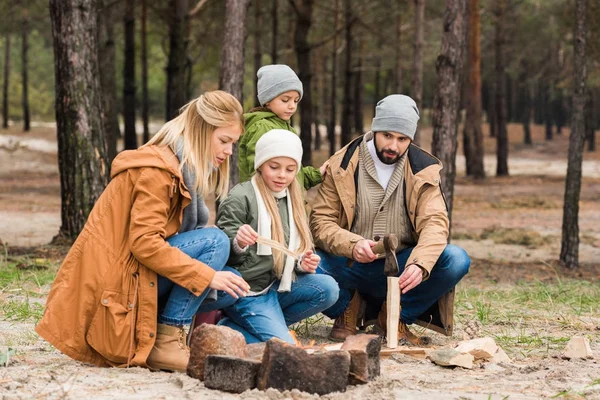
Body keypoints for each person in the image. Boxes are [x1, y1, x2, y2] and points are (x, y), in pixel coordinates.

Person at [35, 91, 251, 373]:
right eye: (224, 141)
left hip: (137, 277)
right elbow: (145, 245)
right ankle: (166, 339)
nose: (229, 151)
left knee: (231, 283)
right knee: (214, 243)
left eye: (233, 143)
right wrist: (206, 273)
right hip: (119, 287)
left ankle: (159, 333)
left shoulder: (182, 168)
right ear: (201, 130)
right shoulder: (158, 171)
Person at [310, 94, 471, 344]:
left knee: (456, 259)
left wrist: (419, 263)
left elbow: (435, 223)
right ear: (375, 129)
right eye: (387, 135)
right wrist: (352, 245)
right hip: (349, 263)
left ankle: (395, 316)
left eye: (402, 139)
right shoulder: (341, 163)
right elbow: (321, 222)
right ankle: (346, 308)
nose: (393, 146)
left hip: (401, 267)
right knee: (305, 261)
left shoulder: (423, 169)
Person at [216, 129, 339, 344]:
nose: (282, 175)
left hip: (276, 286)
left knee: (328, 288)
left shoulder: (291, 199)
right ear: (261, 165)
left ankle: (263, 326)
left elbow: (288, 251)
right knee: (285, 346)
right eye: (274, 167)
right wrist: (238, 243)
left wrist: (302, 262)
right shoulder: (240, 197)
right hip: (247, 293)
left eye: (290, 169)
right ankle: (227, 330)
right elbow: (222, 259)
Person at [238, 64, 327, 189]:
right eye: (285, 100)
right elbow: (259, 173)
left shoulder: (286, 128)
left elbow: (294, 175)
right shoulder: (262, 128)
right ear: (267, 100)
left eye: (296, 101)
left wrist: (316, 175)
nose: (292, 106)